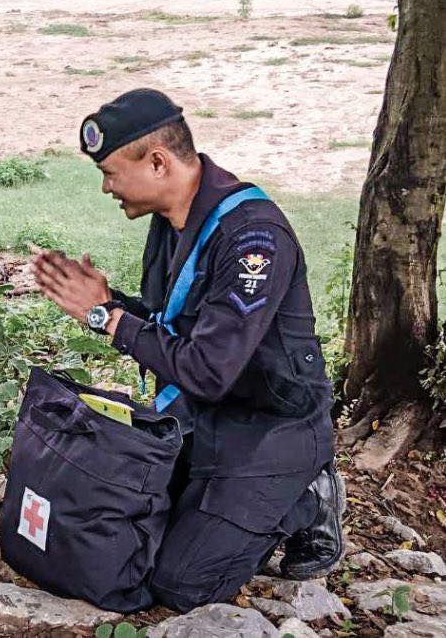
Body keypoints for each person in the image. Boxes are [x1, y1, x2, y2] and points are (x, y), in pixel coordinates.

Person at [31, 88, 344, 612]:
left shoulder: (252, 238)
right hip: (199, 421)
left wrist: (106, 316)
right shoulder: (172, 220)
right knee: (127, 542)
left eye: (110, 173)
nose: (107, 187)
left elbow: (208, 368)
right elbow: (169, 326)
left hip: (268, 429)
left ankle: (305, 499)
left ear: (157, 162)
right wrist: (107, 303)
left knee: (182, 585)